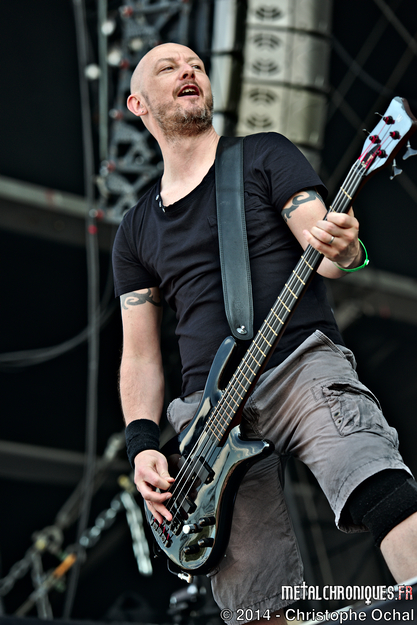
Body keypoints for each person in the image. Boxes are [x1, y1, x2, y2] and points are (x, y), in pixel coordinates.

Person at [112, 42, 417, 624]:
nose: (189, 72)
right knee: (253, 598)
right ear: (138, 104)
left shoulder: (263, 155)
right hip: (208, 417)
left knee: (372, 475)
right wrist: (143, 444)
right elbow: (141, 355)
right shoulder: (135, 230)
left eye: (197, 65)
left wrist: (346, 249)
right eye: (169, 68)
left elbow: (326, 249)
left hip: (299, 363)